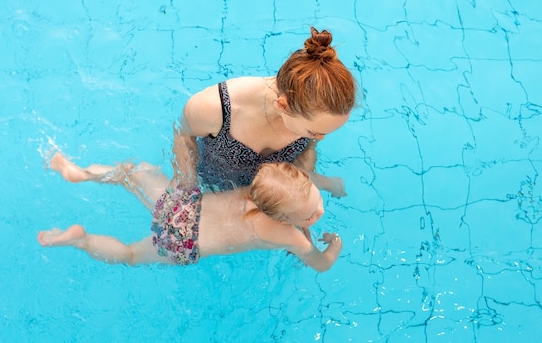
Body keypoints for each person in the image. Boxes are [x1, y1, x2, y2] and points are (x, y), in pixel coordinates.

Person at [38, 153, 343, 272]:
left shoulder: (262, 184)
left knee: (131, 173)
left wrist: (317, 188)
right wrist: (334, 246)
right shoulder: (290, 236)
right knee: (131, 254)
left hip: (184, 206)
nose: (320, 210)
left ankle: (83, 173)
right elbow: (321, 264)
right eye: (311, 214)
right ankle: (83, 240)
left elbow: (302, 179)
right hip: (184, 243)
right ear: (283, 220)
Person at [173, 26, 357, 196]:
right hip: (214, 186)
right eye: (312, 132)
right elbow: (183, 135)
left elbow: (308, 149)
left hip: (265, 194)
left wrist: (301, 183)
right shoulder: (213, 108)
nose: (319, 137)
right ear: (282, 106)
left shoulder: (313, 112)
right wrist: (188, 186)